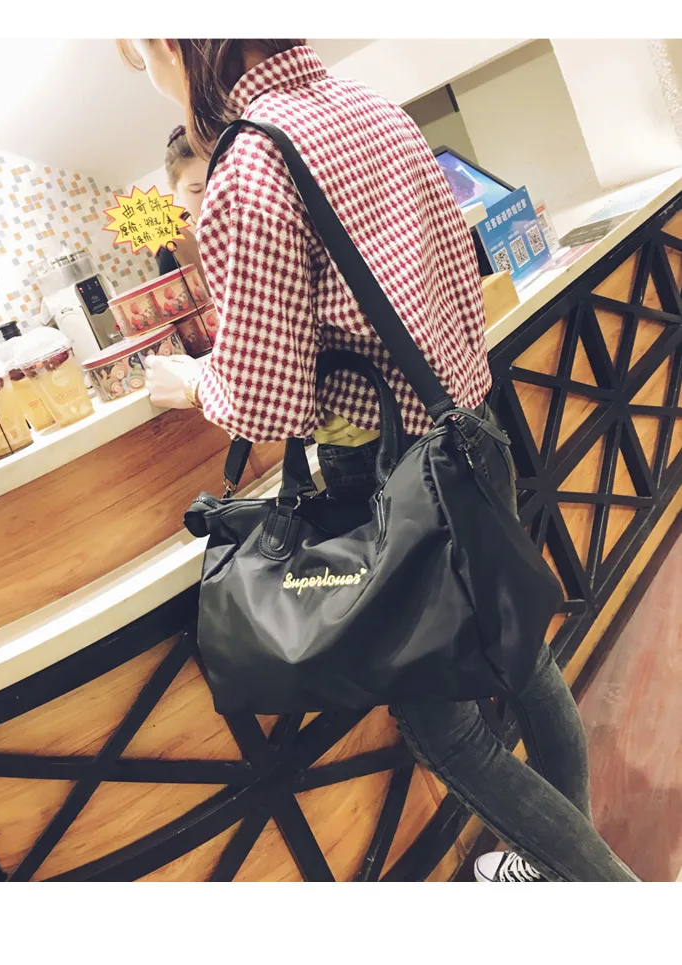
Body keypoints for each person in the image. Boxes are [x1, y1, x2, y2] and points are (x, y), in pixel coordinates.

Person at [118, 38, 639, 882]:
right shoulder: (374, 109)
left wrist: (193, 383)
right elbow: (458, 278)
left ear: (176, 41)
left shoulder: (250, 162)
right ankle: (559, 871)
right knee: (526, 660)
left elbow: (266, 400)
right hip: (470, 435)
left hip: (385, 476)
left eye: (140, 54)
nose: (146, 75)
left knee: (448, 729)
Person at [155, 125, 209, 280]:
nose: (210, 196)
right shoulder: (173, 251)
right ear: (175, 190)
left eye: (216, 183)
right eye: (196, 190)